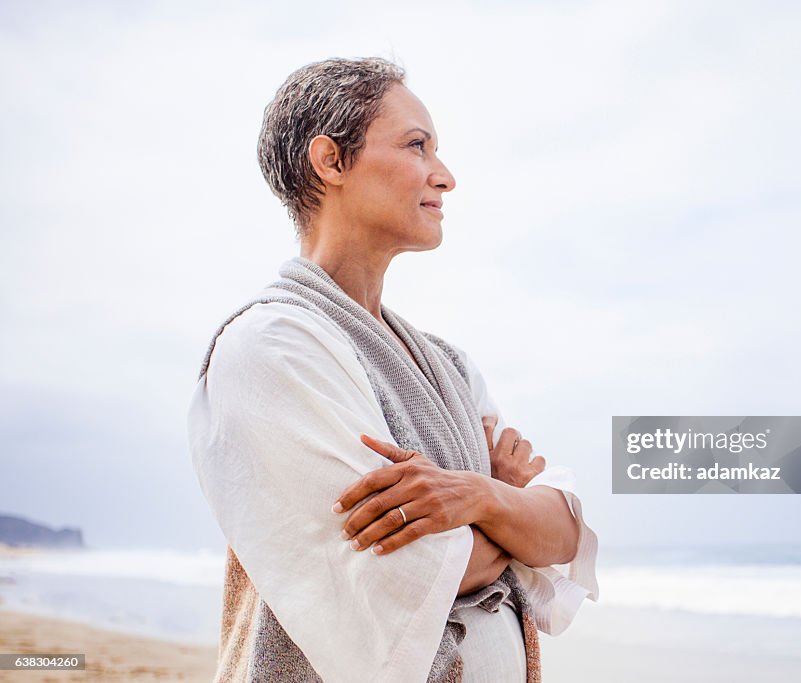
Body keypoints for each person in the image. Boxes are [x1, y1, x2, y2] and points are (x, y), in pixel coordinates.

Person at [187, 57, 599, 683]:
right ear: (330, 163)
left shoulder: (450, 366)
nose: (446, 175)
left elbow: (567, 532)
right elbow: (399, 570)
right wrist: (512, 522)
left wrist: (479, 495)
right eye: (416, 146)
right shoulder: (269, 347)